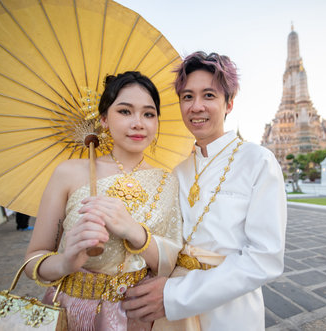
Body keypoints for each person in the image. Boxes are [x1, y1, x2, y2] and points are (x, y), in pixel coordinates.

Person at [122, 52, 287, 330]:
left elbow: (265, 258)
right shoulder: (178, 171)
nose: (196, 106)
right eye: (187, 97)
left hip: (228, 309)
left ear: (229, 103)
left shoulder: (257, 161)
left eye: (208, 95)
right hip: (169, 305)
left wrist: (176, 296)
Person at [24, 71, 183, 330]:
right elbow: (33, 259)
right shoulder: (69, 173)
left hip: (138, 315)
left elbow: (170, 262)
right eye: (124, 111)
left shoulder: (169, 181)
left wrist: (134, 232)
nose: (138, 123)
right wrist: (66, 262)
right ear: (104, 119)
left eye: (148, 114)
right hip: (73, 311)